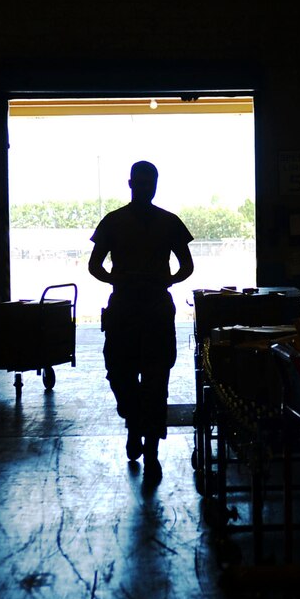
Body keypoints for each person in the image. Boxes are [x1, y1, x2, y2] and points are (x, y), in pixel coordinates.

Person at [88, 160, 195, 469]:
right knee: (123, 375)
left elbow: (186, 266)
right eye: (143, 182)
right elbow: (94, 265)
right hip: (133, 307)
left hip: (146, 307)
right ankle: (136, 423)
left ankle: (149, 444)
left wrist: (164, 280)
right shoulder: (116, 221)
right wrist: (121, 280)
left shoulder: (164, 222)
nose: (147, 188)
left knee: (155, 377)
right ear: (132, 184)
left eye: (151, 183)